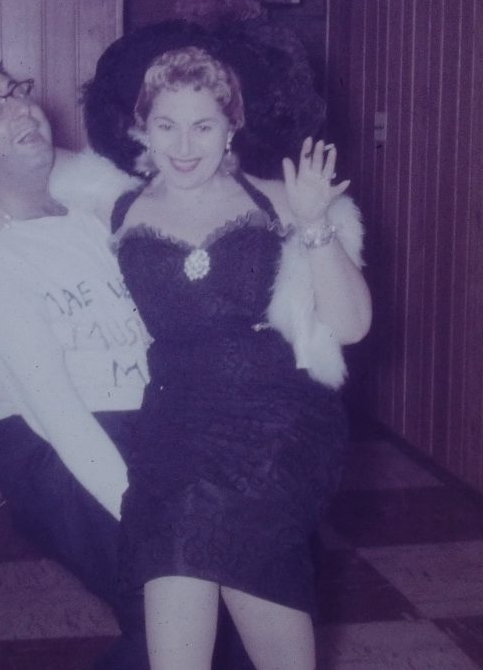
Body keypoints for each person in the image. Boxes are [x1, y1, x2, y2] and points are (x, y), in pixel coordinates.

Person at [0, 53, 256, 670]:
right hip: (60, 452)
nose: (19, 107)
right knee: (176, 624)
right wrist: (140, 508)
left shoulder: (90, 217)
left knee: (228, 621)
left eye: (18, 93)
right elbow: (55, 411)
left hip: (150, 427)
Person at [89, 39, 371, 669]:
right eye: (166, 125)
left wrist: (315, 222)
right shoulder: (116, 203)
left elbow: (351, 326)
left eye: (202, 125)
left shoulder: (279, 198)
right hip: (173, 427)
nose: (183, 145)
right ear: (143, 127)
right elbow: (20, 174)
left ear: (230, 127)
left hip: (274, 428)